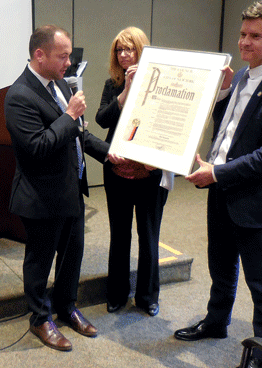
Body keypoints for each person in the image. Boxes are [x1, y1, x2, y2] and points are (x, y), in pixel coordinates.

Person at [174, 0, 262, 368]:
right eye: (243, 33)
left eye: (255, 36)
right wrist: (219, 97)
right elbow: (230, 129)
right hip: (221, 191)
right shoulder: (243, 78)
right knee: (221, 264)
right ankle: (217, 322)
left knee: (261, 281)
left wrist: (217, 171)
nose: (244, 42)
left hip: (254, 197)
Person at [4, 25, 125, 352]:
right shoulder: (19, 95)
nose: (69, 63)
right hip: (41, 197)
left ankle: (67, 307)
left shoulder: (57, 83)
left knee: (73, 256)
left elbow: (78, 134)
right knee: (40, 262)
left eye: (70, 55)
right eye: (63, 56)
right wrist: (70, 114)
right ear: (39, 55)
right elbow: (38, 146)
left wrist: (107, 153)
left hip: (71, 190)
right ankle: (40, 318)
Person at [95, 27, 173, 316]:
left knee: (149, 235)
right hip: (117, 170)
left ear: (142, 51)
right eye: (119, 50)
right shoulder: (112, 83)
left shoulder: (160, 84)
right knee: (120, 235)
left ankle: (148, 296)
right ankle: (116, 293)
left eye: (130, 49)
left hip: (150, 172)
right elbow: (102, 120)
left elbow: (169, 123)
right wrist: (126, 92)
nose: (124, 54)